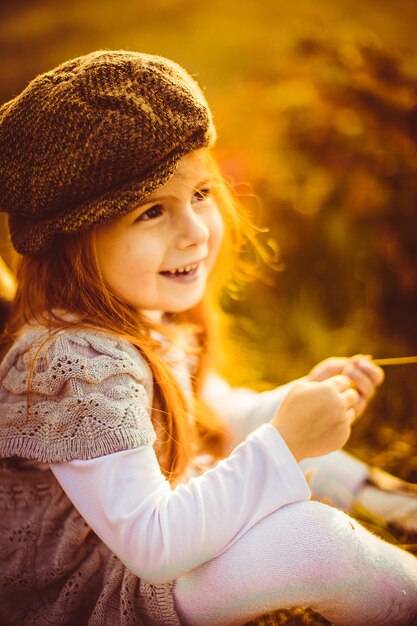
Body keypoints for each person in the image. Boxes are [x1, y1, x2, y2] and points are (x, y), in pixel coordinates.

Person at [0, 50, 416, 626]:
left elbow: (214, 415)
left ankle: (400, 507)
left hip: (150, 553)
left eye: (200, 194)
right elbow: (154, 546)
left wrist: (297, 404)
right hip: (101, 592)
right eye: (151, 212)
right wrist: (286, 442)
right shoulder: (75, 365)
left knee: (291, 451)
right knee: (312, 541)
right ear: (73, 242)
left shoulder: (139, 308)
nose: (195, 232)